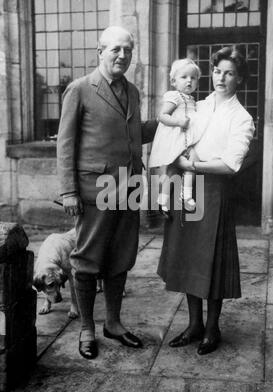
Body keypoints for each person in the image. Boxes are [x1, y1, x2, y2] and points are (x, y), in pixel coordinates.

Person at [57, 26, 156, 360]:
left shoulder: (133, 91)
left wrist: (170, 120)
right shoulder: (80, 89)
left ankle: (113, 323)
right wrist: (68, 191)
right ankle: (87, 328)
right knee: (86, 260)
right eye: (116, 49)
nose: (122, 56)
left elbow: (133, 134)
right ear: (100, 51)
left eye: (128, 50)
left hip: (129, 188)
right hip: (93, 190)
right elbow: (66, 144)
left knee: (122, 257)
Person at [157, 46, 255, 355]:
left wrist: (193, 166)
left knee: (211, 262)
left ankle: (212, 328)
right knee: (188, 257)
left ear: (239, 78)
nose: (221, 77)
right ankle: (194, 324)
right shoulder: (196, 105)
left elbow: (230, 165)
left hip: (214, 191)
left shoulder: (242, 118)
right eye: (217, 71)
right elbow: (172, 135)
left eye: (229, 72)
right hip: (186, 189)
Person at [149, 59, 206, 215]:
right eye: (184, 77)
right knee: (172, 170)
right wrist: (179, 122)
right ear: (173, 81)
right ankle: (162, 199)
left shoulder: (192, 100)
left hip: (188, 141)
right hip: (175, 139)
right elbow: (162, 116)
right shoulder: (174, 96)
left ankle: (185, 195)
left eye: (193, 78)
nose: (189, 80)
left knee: (192, 163)